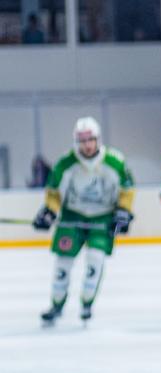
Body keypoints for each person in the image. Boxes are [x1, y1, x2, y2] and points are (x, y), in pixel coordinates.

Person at [32, 117, 135, 325]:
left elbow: (127, 189)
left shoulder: (115, 161)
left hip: (103, 218)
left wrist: (123, 211)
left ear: (98, 139)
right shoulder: (65, 163)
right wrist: (50, 212)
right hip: (72, 217)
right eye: (81, 141)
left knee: (95, 261)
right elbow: (53, 192)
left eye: (90, 140)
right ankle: (56, 305)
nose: (86, 145)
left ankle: (87, 303)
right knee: (63, 264)